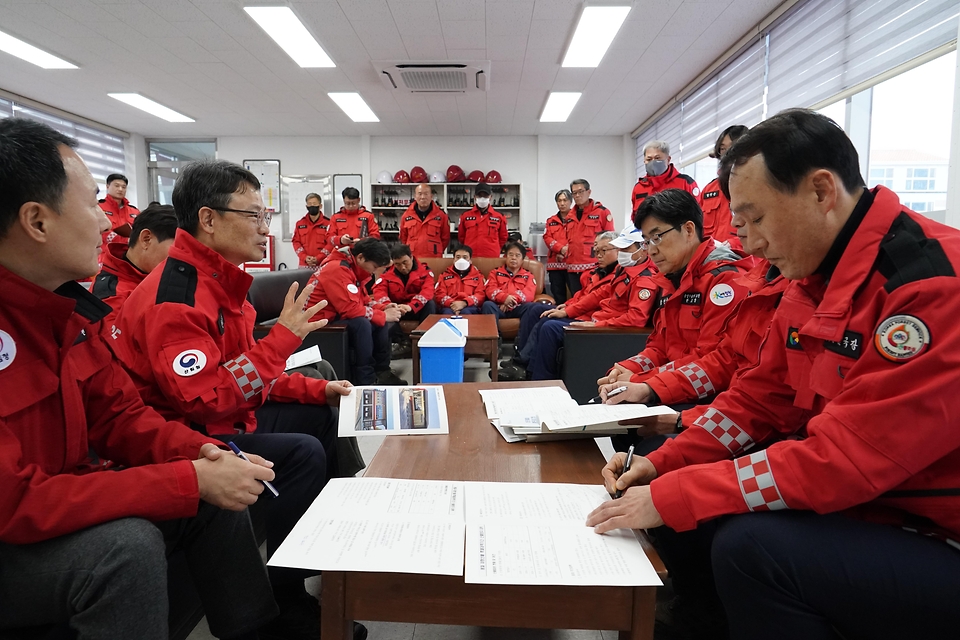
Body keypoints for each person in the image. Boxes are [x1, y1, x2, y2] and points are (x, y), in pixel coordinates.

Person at [588, 109, 960, 640]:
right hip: (871, 509)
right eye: (740, 224)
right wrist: (662, 466)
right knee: (679, 496)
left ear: (821, 192)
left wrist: (677, 492)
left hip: (934, 532)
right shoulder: (812, 281)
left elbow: (843, 461)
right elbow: (756, 402)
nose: (751, 244)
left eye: (757, 219)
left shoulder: (925, 288)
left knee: (752, 549)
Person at [0, 118, 278, 640]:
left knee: (214, 486)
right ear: (36, 221)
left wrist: (204, 456)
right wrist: (187, 477)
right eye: (92, 206)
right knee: (126, 547)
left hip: (61, 498)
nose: (110, 225)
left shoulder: (66, 315)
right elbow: (14, 503)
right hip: (13, 535)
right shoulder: (168, 294)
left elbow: (122, 417)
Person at [112, 160, 364, 640]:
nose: (265, 229)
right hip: (190, 435)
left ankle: (331, 542)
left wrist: (318, 388)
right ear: (208, 219)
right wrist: (283, 339)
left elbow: (247, 373)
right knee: (303, 452)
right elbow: (205, 400)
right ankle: (284, 597)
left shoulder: (221, 281)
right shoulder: (178, 298)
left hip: (223, 415)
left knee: (321, 411)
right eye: (254, 216)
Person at [599, 189, 751, 409]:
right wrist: (629, 368)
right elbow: (660, 348)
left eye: (657, 237)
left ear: (688, 230)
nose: (651, 250)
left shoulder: (724, 280)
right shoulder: (671, 278)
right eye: (646, 241)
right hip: (675, 388)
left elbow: (717, 364)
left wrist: (645, 383)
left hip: (712, 399)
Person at [307, 238, 406, 386]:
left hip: (334, 316)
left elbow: (363, 301)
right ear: (360, 257)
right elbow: (349, 309)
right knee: (362, 324)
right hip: (318, 323)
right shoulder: (337, 269)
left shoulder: (352, 268)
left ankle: (382, 371)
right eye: (374, 266)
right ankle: (365, 380)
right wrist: (383, 315)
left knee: (378, 322)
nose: (373, 272)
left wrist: (382, 308)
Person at [93, 203, 177, 330]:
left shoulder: (158, 276)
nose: (183, 256)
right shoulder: (113, 298)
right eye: (178, 247)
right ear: (146, 239)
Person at [373, 243, 437, 356]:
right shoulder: (387, 273)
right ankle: (403, 343)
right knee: (383, 311)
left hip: (417, 309)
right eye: (397, 264)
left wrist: (411, 306)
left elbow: (427, 292)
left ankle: (425, 341)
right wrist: (389, 305)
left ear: (411, 257)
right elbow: (379, 291)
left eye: (405, 262)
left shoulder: (425, 271)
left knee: (430, 304)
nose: (402, 267)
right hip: (397, 309)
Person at [699, 125, 749, 252]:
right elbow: (696, 226)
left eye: (733, 146)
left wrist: (732, 244)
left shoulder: (754, 184)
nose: (727, 152)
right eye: (723, 149)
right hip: (709, 256)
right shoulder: (709, 189)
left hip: (743, 256)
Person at [564, 179, 615, 296]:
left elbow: (610, 240)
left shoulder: (602, 212)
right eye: (574, 193)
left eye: (580, 192)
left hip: (593, 267)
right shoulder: (570, 215)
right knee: (575, 300)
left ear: (589, 192)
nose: (577, 195)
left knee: (592, 299)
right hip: (572, 267)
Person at [631, 140, 699, 212]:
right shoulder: (639, 187)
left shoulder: (685, 183)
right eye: (649, 159)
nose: (653, 162)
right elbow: (635, 218)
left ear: (668, 159)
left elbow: (697, 215)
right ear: (644, 161)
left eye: (657, 158)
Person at [481, 241, 538, 325]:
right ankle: (495, 337)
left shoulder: (528, 275)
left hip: (518, 308)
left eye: (517, 255)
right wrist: (504, 298)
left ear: (522, 259)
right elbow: (490, 289)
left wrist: (510, 301)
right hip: (498, 307)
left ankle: (522, 338)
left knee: (531, 307)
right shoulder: (495, 272)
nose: (513, 258)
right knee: (487, 305)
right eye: (511, 255)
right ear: (506, 257)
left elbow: (529, 294)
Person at [457, 183, 508, 257]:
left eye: (485, 196)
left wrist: (494, 248)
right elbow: (461, 237)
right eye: (479, 195)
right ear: (474, 197)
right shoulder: (465, 216)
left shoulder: (499, 216)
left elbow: (503, 237)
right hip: (471, 256)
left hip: (491, 256)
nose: (482, 198)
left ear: (490, 197)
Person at [399, 183, 450, 258]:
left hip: (434, 258)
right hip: (413, 258)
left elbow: (445, 238)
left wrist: (437, 249)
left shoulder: (441, 216)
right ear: (415, 196)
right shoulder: (406, 216)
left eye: (426, 194)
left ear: (431, 196)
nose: (423, 197)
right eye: (420, 194)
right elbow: (403, 237)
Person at [97, 172, 139, 262]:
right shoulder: (99, 208)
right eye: (116, 186)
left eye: (124, 187)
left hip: (129, 257)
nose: (120, 189)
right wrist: (126, 241)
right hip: (106, 256)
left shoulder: (134, 211)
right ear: (107, 186)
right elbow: (102, 232)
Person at [436, 245, 486, 315]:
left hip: (470, 306)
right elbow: (439, 294)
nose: (461, 260)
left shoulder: (478, 276)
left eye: (465, 257)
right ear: (454, 259)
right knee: (447, 313)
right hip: (449, 306)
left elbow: (480, 294)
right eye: (458, 257)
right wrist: (453, 305)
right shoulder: (444, 275)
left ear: (470, 260)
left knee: (466, 312)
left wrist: (464, 303)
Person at [543, 188, 573, 303]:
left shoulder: (576, 219)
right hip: (555, 265)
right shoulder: (551, 221)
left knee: (576, 294)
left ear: (570, 202)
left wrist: (566, 251)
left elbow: (578, 239)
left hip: (572, 264)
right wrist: (560, 249)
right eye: (559, 201)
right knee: (558, 295)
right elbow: (547, 237)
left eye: (565, 200)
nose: (562, 203)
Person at [292, 192, 331, 268]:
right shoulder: (300, 224)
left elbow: (330, 243)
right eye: (309, 204)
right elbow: (296, 242)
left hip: (323, 264)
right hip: (304, 265)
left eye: (314, 204)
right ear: (306, 206)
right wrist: (304, 257)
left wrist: (319, 258)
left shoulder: (328, 223)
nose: (312, 206)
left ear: (320, 206)